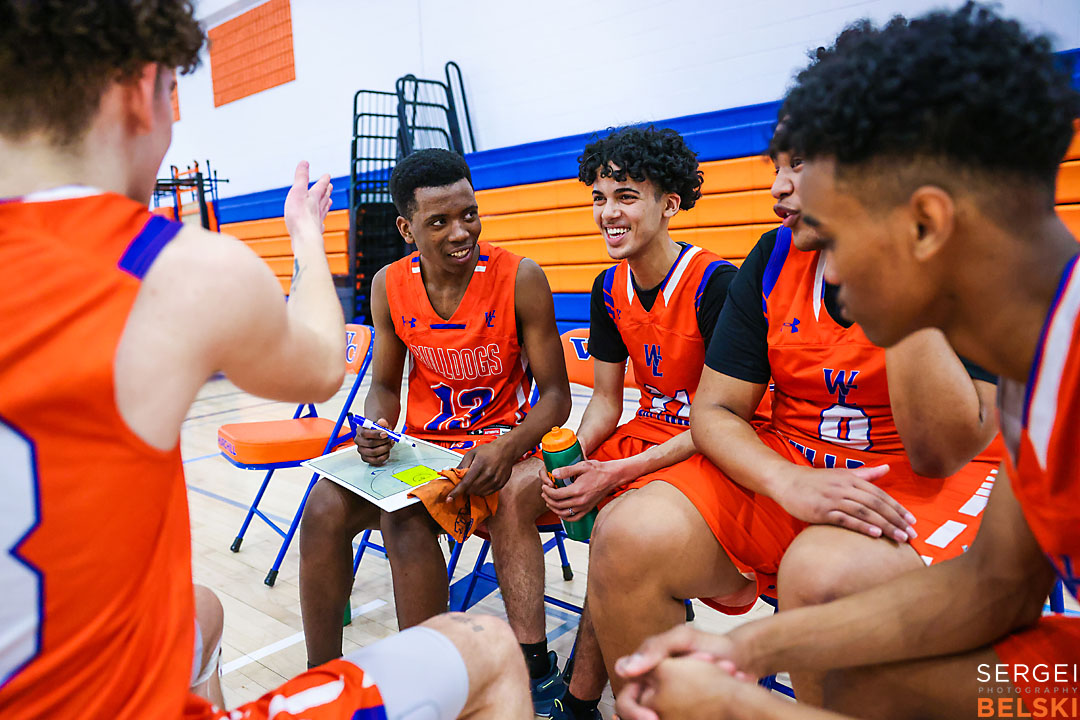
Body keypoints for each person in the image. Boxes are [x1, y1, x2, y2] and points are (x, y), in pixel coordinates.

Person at [0, 3, 532, 718]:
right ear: (141, 91)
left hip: (484, 444)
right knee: (486, 652)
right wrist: (305, 235)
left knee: (204, 614)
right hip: (104, 702)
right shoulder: (171, 266)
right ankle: (324, 679)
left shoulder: (514, 275)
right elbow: (324, 367)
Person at [613, 4, 1080, 720]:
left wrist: (741, 707)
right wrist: (750, 652)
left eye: (831, 238)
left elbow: (940, 456)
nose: (826, 270)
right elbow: (991, 589)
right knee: (862, 679)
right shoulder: (1038, 364)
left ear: (923, 225)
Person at [298, 148, 572, 712]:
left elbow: (556, 398)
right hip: (423, 448)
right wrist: (375, 427)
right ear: (406, 228)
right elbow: (384, 386)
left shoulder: (520, 277)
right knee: (322, 508)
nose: (460, 231)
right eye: (439, 221)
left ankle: (430, 687)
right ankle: (318, 680)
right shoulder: (387, 285)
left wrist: (509, 444)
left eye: (468, 214)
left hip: (498, 449)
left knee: (403, 520)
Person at [533, 125, 739, 720]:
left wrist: (614, 471)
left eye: (625, 195)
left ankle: (580, 696)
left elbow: (720, 420)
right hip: (647, 431)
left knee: (615, 531)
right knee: (524, 490)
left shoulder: (717, 285)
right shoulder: (606, 286)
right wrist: (568, 454)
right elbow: (604, 400)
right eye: (599, 197)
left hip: (707, 443)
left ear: (668, 203)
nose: (607, 212)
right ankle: (533, 661)